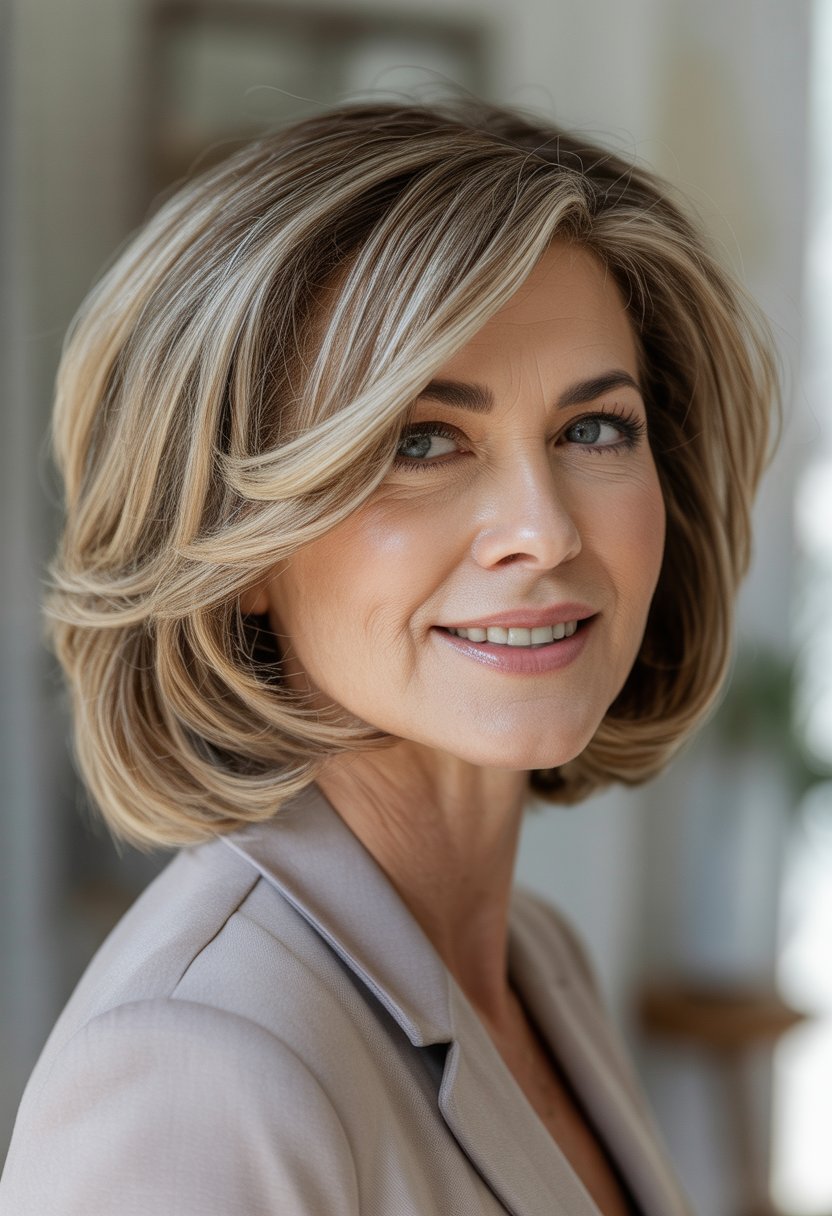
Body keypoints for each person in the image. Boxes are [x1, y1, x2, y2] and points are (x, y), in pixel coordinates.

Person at [0, 100, 777, 1216]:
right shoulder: (194, 1068)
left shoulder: (535, 964)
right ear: (235, 546)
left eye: (593, 428)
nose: (544, 530)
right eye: (419, 441)